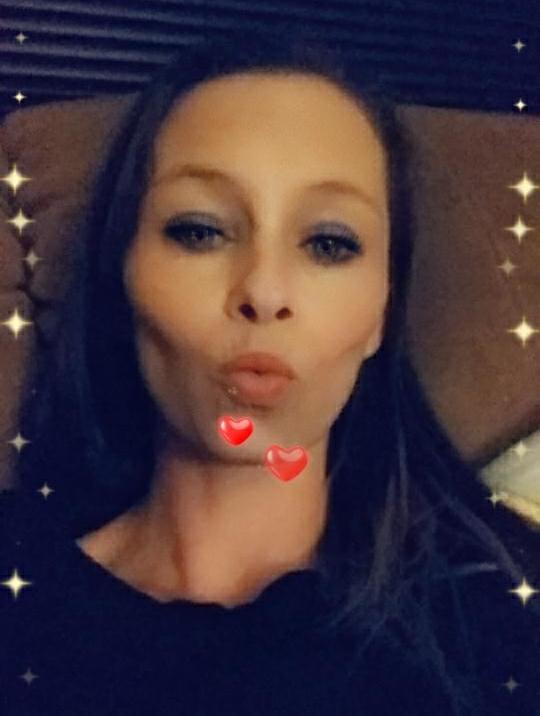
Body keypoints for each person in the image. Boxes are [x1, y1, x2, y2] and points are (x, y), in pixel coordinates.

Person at [1, 28, 538, 716]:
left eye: (329, 243)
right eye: (200, 231)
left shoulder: (494, 632)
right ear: (122, 272)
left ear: (380, 314)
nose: (264, 290)